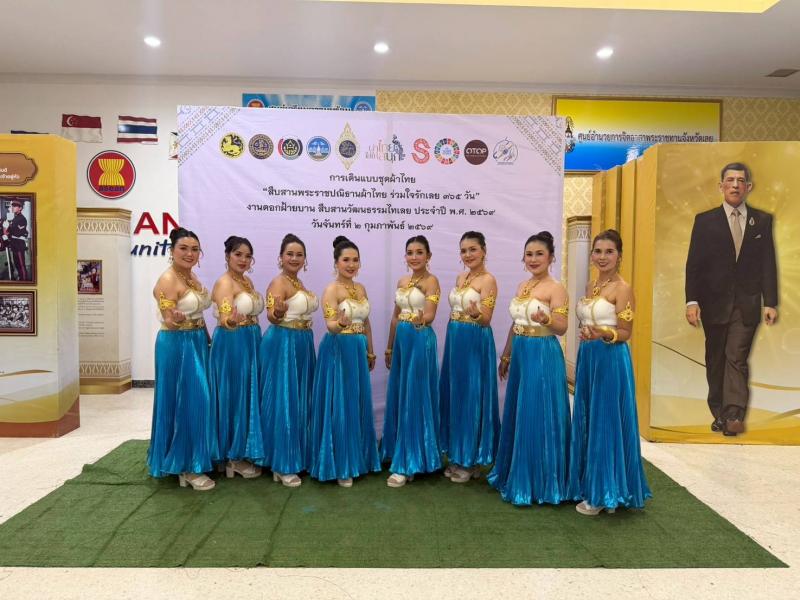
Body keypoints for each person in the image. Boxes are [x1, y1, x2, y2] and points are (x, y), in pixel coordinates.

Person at [685, 162, 779, 436]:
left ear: (748, 187)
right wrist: (692, 301)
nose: (735, 185)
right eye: (730, 180)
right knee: (716, 359)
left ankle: (734, 414)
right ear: (721, 186)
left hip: (747, 303)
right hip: (713, 303)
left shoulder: (762, 220)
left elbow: (768, 262)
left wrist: (770, 302)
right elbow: (694, 265)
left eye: (740, 181)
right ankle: (720, 413)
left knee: (736, 357)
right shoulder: (705, 221)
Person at [568, 229, 651, 515]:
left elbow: (625, 332)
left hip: (611, 358)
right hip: (589, 356)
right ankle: (589, 482)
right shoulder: (591, 286)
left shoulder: (623, 289)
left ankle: (605, 492)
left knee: (606, 420)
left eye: (609, 252)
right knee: (589, 418)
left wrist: (603, 333)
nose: (602, 257)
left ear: (619, 256)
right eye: (598, 251)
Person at [488, 231, 571, 506]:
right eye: (529, 254)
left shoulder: (556, 288)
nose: (533, 259)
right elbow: (516, 324)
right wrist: (506, 355)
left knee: (537, 412)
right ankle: (516, 473)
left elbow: (562, 327)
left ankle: (542, 482)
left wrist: (546, 319)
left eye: (539, 254)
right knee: (520, 411)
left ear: (551, 257)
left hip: (543, 353)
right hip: (522, 352)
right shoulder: (522, 286)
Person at [147, 228, 218, 491]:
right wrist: (174, 320)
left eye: (194, 249)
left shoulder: (191, 276)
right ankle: (186, 466)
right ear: (172, 250)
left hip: (197, 341)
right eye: (183, 248)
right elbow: (169, 318)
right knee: (189, 401)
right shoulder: (167, 280)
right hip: (177, 344)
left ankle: (191, 456)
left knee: (196, 400)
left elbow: (198, 314)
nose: (189, 254)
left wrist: (208, 340)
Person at [309, 236, 380, 487]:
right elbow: (330, 325)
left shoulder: (361, 289)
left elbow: (366, 322)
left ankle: (359, 458)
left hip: (358, 350)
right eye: (346, 260)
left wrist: (370, 351)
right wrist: (339, 323)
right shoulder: (331, 290)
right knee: (340, 403)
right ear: (336, 263)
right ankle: (340, 464)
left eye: (355, 260)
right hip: (338, 349)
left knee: (356, 402)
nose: (351, 265)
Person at [381, 235, 442, 488]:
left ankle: (410, 461)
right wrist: (389, 346)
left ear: (428, 256)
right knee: (400, 393)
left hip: (420, 338)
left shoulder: (432, 281)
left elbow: (430, 314)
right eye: (410, 252)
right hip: (402, 341)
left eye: (419, 252)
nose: (414, 257)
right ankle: (398, 450)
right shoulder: (402, 282)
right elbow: (396, 317)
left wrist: (421, 319)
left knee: (414, 396)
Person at [439, 231, 499, 483]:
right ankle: (457, 454)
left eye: (473, 249)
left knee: (472, 396)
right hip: (456, 339)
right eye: (463, 250)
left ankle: (470, 459)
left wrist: (476, 314)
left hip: (475, 340)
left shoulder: (488, 280)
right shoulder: (460, 277)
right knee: (456, 395)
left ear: (483, 250)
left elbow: (486, 319)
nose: (468, 255)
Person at [259, 233, 318, 487]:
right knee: (284, 400)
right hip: (283, 343)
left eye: (299, 254)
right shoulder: (278, 283)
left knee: (300, 399)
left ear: (305, 259)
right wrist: (277, 312)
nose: (294, 258)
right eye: (289, 254)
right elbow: (272, 315)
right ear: (280, 257)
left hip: (302, 343)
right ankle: (282, 464)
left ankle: (298, 455)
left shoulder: (299, 282)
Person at [209, 236, 264, 480]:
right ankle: (233, 457)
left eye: (247, 255)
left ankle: (234, 452)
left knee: (246, 394)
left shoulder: (246, 281)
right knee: (234, 395)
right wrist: (231, 321)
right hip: (233, 341)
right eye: (238, 254)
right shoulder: (224, 283)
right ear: (227, 256)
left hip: (250, 339)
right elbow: (224, 317)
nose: (243, 259)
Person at [1, 199, 30, 281]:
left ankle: (24, 280)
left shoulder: (22, 219)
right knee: (17, 264)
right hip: (14, 244)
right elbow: (9, 232)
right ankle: (21, 278)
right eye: (12, 206)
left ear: (20, 208)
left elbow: (17, 233)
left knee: (21, 264)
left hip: (19, 244)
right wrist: (6, 228)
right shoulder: (14, 218)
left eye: (15, 206)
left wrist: (7, 229)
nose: (12, 207)